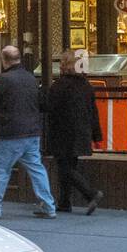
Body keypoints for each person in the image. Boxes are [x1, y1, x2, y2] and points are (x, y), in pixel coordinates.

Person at [0, 45, 56, 219]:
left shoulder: (2, 79)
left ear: (4, 60)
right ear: (19, 58)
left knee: (0, 170)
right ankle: (48, 206)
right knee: (36, 168)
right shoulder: (30, 78)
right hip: (32, 132)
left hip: (10, 133)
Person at [46, 50, 105, 215]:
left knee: (64, 167)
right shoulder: (86, 85)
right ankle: (64, 202)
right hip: (81, 132)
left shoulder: (59, 85)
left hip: (62, 132)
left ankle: (91, 194)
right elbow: (93, 112)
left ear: (64, 65)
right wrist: (97, 135)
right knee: (69, 165)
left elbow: (50, 108)